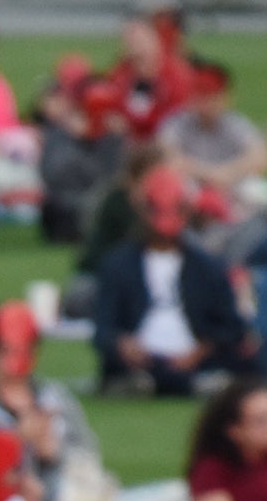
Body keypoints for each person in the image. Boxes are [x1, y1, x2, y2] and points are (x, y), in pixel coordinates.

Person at [93, 167, 250, 396]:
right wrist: (122, 344)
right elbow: (103, 327)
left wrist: (202, 349)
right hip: (143, 355)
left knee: (239, 360)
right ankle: (153, 382)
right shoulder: (117, 265)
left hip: (194, 355)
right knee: (118, 363)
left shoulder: (207, 268)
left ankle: (175, 382)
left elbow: (232, 326)